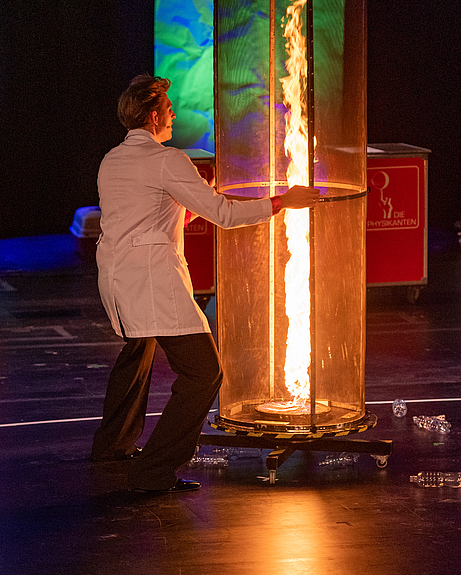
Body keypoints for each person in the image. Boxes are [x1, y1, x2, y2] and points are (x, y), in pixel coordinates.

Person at [90, 74, 321, 493]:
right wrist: (282, 202)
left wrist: (195, 199)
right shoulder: (168, 160)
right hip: (151, 279)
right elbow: (225, 216)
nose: (174, 115)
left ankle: (112, 445)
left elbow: (150, 215)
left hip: (116, 276)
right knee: (204, 373)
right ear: (154, 116)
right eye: (169, 109)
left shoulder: (112, 159)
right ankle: (154, 472)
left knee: (138, 350)